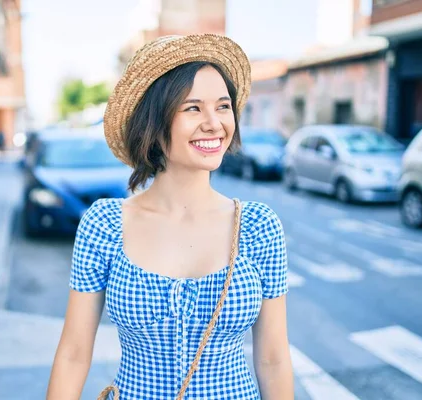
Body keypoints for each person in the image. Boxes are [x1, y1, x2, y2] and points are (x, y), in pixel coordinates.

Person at [46, 34, 294, 400]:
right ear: (155, 123)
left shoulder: (259, 227)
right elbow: (73, 354)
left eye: (223, 107)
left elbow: (273, 359)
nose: (214, 123)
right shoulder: (105, 224)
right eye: (192, 108)